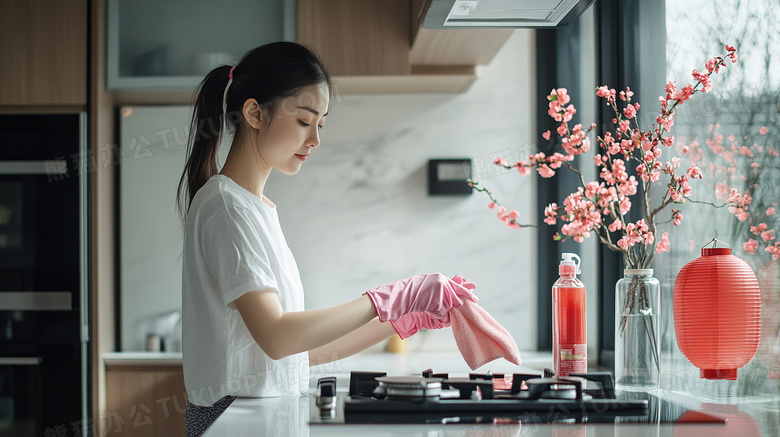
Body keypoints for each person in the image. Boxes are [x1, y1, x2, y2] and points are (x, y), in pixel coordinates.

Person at [177, 41, 477, 436]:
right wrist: (386, 298)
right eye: (304, 121)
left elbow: (294, 354)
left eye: (320, 124)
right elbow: (278, 338)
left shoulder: (256, 208)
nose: (315, 139)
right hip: (232, 420)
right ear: (253, 113)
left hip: (259, 417)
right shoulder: (226, 206)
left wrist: (400, 318)